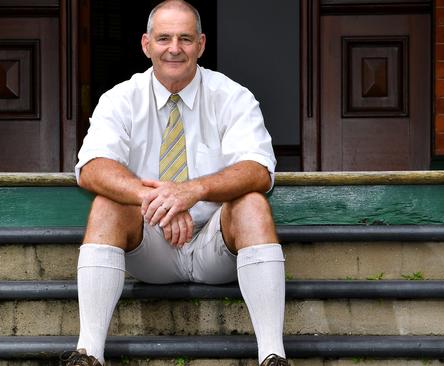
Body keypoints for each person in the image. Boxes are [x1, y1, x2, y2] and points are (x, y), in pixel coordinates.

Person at [62, 1, 287, 365]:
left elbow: (258, 170)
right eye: (163, 38)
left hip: (217, 247)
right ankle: (89, 354)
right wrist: (160, 199)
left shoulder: (232, 96)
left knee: (252, 203)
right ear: (146, 44)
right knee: (108, 203)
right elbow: (91, 168)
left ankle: (272, 356)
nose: (174, 48)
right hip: (152, 247)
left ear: (201, 44)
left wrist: (193, 190)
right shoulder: (121, 98)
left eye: (185, 38)